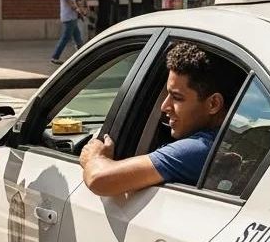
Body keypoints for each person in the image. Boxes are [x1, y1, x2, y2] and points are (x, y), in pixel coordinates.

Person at [79, 42, 242, 196]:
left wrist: (94, 157)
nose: (164, 106)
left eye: (177, 97)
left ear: (213, 104)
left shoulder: (199, 149)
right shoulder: (233, 142)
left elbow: (98, 179)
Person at [50, 0, 85, 65]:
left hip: (71, 17)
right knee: (66, 37)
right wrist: (78, 9)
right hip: (69, 17)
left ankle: (82, 54)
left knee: (77, 37)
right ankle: (55, 57)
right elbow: (69, 1)